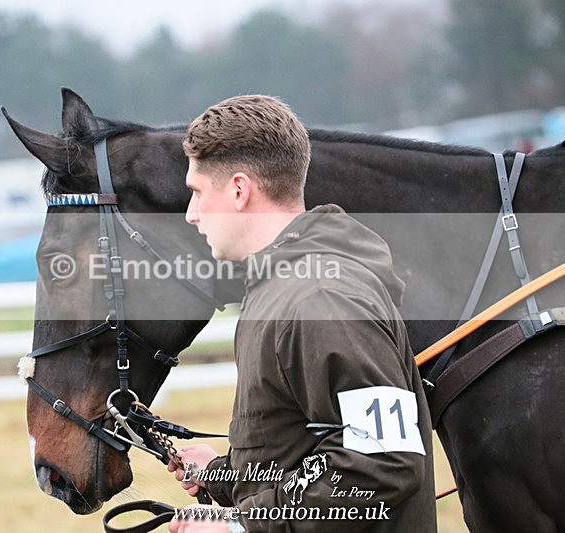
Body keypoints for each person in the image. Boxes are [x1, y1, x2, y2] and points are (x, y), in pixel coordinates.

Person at [167, 95, 436, 532]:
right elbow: (301, 449)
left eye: (197, 193)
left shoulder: (322, 298)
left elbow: (383, 463)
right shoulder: (278, 287)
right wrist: (221, 474)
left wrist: (239, 526)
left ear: (239, 190)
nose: (191, 215)